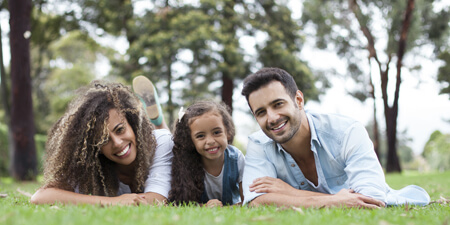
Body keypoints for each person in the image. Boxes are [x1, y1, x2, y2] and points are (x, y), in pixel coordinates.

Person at [240, 67, 430, 208]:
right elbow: (255, 201)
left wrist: (290, 194)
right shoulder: (258, 143)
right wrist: (334, 201)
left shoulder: (347, 132)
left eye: (278, 104)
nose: (272, 118)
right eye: (261, 112)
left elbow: (371, 200)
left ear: (298, 100)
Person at [31, 80, 173, 205]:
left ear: (132, 123)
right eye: (103, 140)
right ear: (95, 147)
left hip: (160, 140)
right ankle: (157, 122)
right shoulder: (90, 167)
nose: (117, 143)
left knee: (167, 137)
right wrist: (113, 202)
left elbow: (155, 201)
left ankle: (158, 122)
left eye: (120, 130)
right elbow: (40, 197)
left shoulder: (160, 142)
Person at [168, 101, 245, 207]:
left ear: (228, 132)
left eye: (217, 132)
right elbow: (179, 204)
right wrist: (204, 206)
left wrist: (227, 208)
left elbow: (248, 201)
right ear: (190, 141)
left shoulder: (237, 159)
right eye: (200, 136)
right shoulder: (186, 163)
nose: (210, 141)